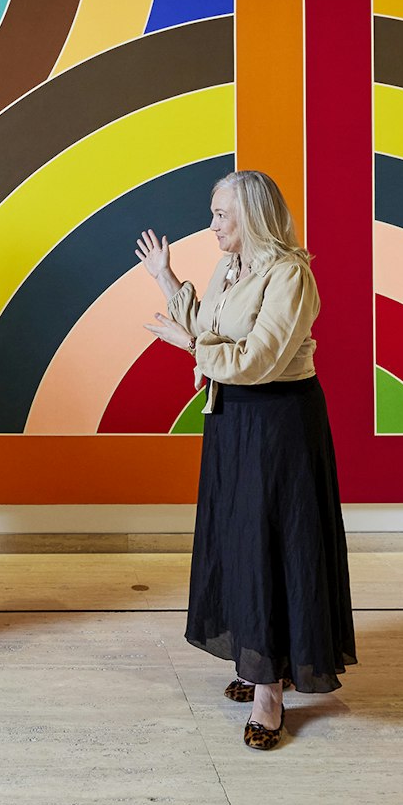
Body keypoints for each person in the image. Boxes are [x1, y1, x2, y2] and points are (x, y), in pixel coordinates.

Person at [135, 170, 354, 751]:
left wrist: (190, 348)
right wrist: (166, 279)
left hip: (279, 422)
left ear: (252, 216)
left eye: (221, 216)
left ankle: (271, 689)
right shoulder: (233, 268)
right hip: (233, 421)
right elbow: (210, 330)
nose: (212, 226)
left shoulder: (290, 275)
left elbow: (257, 359)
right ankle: (257, 656)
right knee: (240, 540)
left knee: (274, 543)